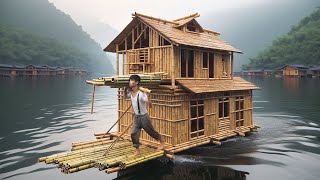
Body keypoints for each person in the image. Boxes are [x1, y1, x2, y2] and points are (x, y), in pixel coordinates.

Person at [124, 74, 164, 156]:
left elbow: (150, 105)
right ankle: (137, 151)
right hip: (136, 117)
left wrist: (148, 97)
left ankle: (162, 142)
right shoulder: (131, 93)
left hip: (144, 117)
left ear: (137, 82)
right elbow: (125, 97)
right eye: (130, 80)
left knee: (151, 132)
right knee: (133, 134)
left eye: (132, 80)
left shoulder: (141, 94)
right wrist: (125, 90)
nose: (130, 82)